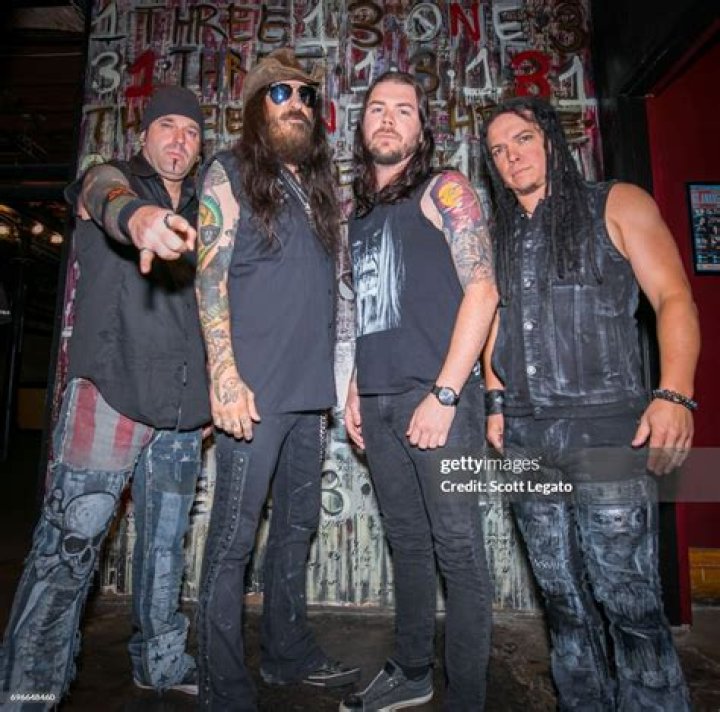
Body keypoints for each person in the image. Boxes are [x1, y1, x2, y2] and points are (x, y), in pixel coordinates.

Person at [481, 96, 699, 711]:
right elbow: (494, 321)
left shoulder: (619, 202)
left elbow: (674, 297)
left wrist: (675, 394)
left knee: (629, 600)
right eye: (498, 150)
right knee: (562, 601)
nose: (511, 156)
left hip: (608, 434)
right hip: (526, 438)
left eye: (523, 139)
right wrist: (495, 400)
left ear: (552, 139)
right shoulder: (498, 234)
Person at [0, 85, 209, 708]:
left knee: (165, 550)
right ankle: (27, 691)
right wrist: (138, 218)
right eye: (167, 126)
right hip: (109, 397)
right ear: (145, 135)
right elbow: (103, 196)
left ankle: (161, 664)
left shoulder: (207, 208)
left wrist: (210, 394)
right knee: (67, 549)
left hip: (182, 409)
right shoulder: (111, 179)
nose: (178, 139)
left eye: (191, 131)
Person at [195, 48, 360, 711]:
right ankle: (222, 683)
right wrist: (225, 376)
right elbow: (208, 278)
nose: (297, 104)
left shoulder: (317, 191)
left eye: (307, 96)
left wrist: (340, 383)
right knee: (233, 539)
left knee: (296, 528)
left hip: (309, 397)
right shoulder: (230, 171)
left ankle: (287, 654)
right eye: (282, 92)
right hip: (253, 396)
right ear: (256, 106)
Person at [342, 71, 498, 712]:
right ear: (362, 125)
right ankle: (411, 671)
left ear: (421, 128)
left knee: (458, 550)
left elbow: (484, 291)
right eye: (377, 108)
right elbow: (370, 309)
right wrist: (355, 386)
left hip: (439, 403)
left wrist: (446, 394)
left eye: (403, 109)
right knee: (405, 542)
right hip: (378, 403)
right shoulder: (358, 216)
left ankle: (468, 697)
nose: (388, 118)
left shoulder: (445, 189)